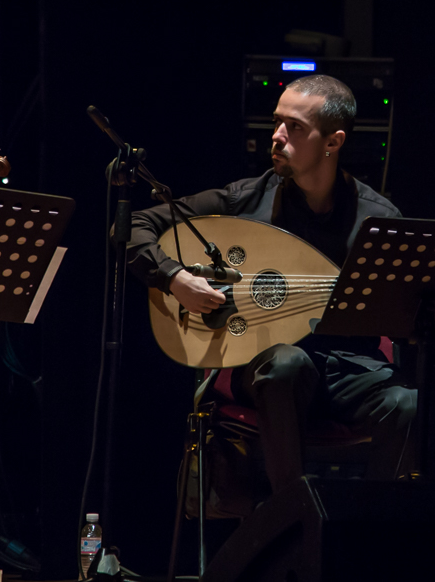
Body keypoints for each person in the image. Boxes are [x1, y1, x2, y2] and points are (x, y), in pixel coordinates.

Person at [128, 75, 416, 491]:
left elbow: (405, 306)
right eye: (278, 122)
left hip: (349, 368)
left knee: (407, 403)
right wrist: (175, 278)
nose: (278, 136)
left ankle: (364, 526)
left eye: (295, 127)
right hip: (267, 365)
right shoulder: (245, 200)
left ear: (333, 142)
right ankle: (290, 516)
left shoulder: (377, 221)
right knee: (287, 364)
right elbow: (139, 224)